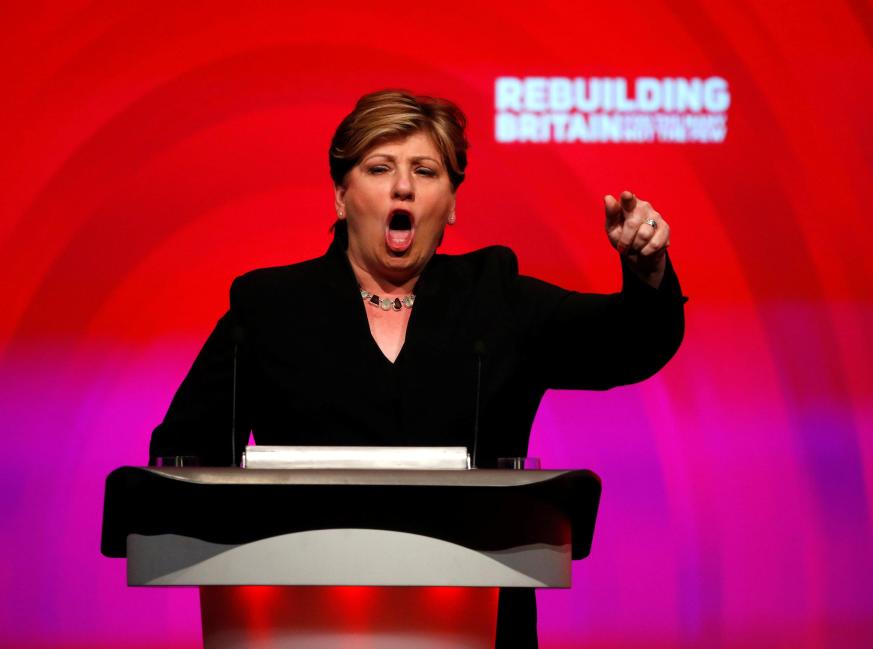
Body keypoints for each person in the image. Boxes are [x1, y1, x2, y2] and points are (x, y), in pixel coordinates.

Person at [150, 89, 686, 648]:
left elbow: (631, 342)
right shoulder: (269, 308)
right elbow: (183, 456)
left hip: (478, 626)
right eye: (380, 167)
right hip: (299, 620)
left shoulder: (495, 298)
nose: (403, 186)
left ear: (451, 203)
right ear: (341, 195)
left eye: (425, 171)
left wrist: (646, 269)